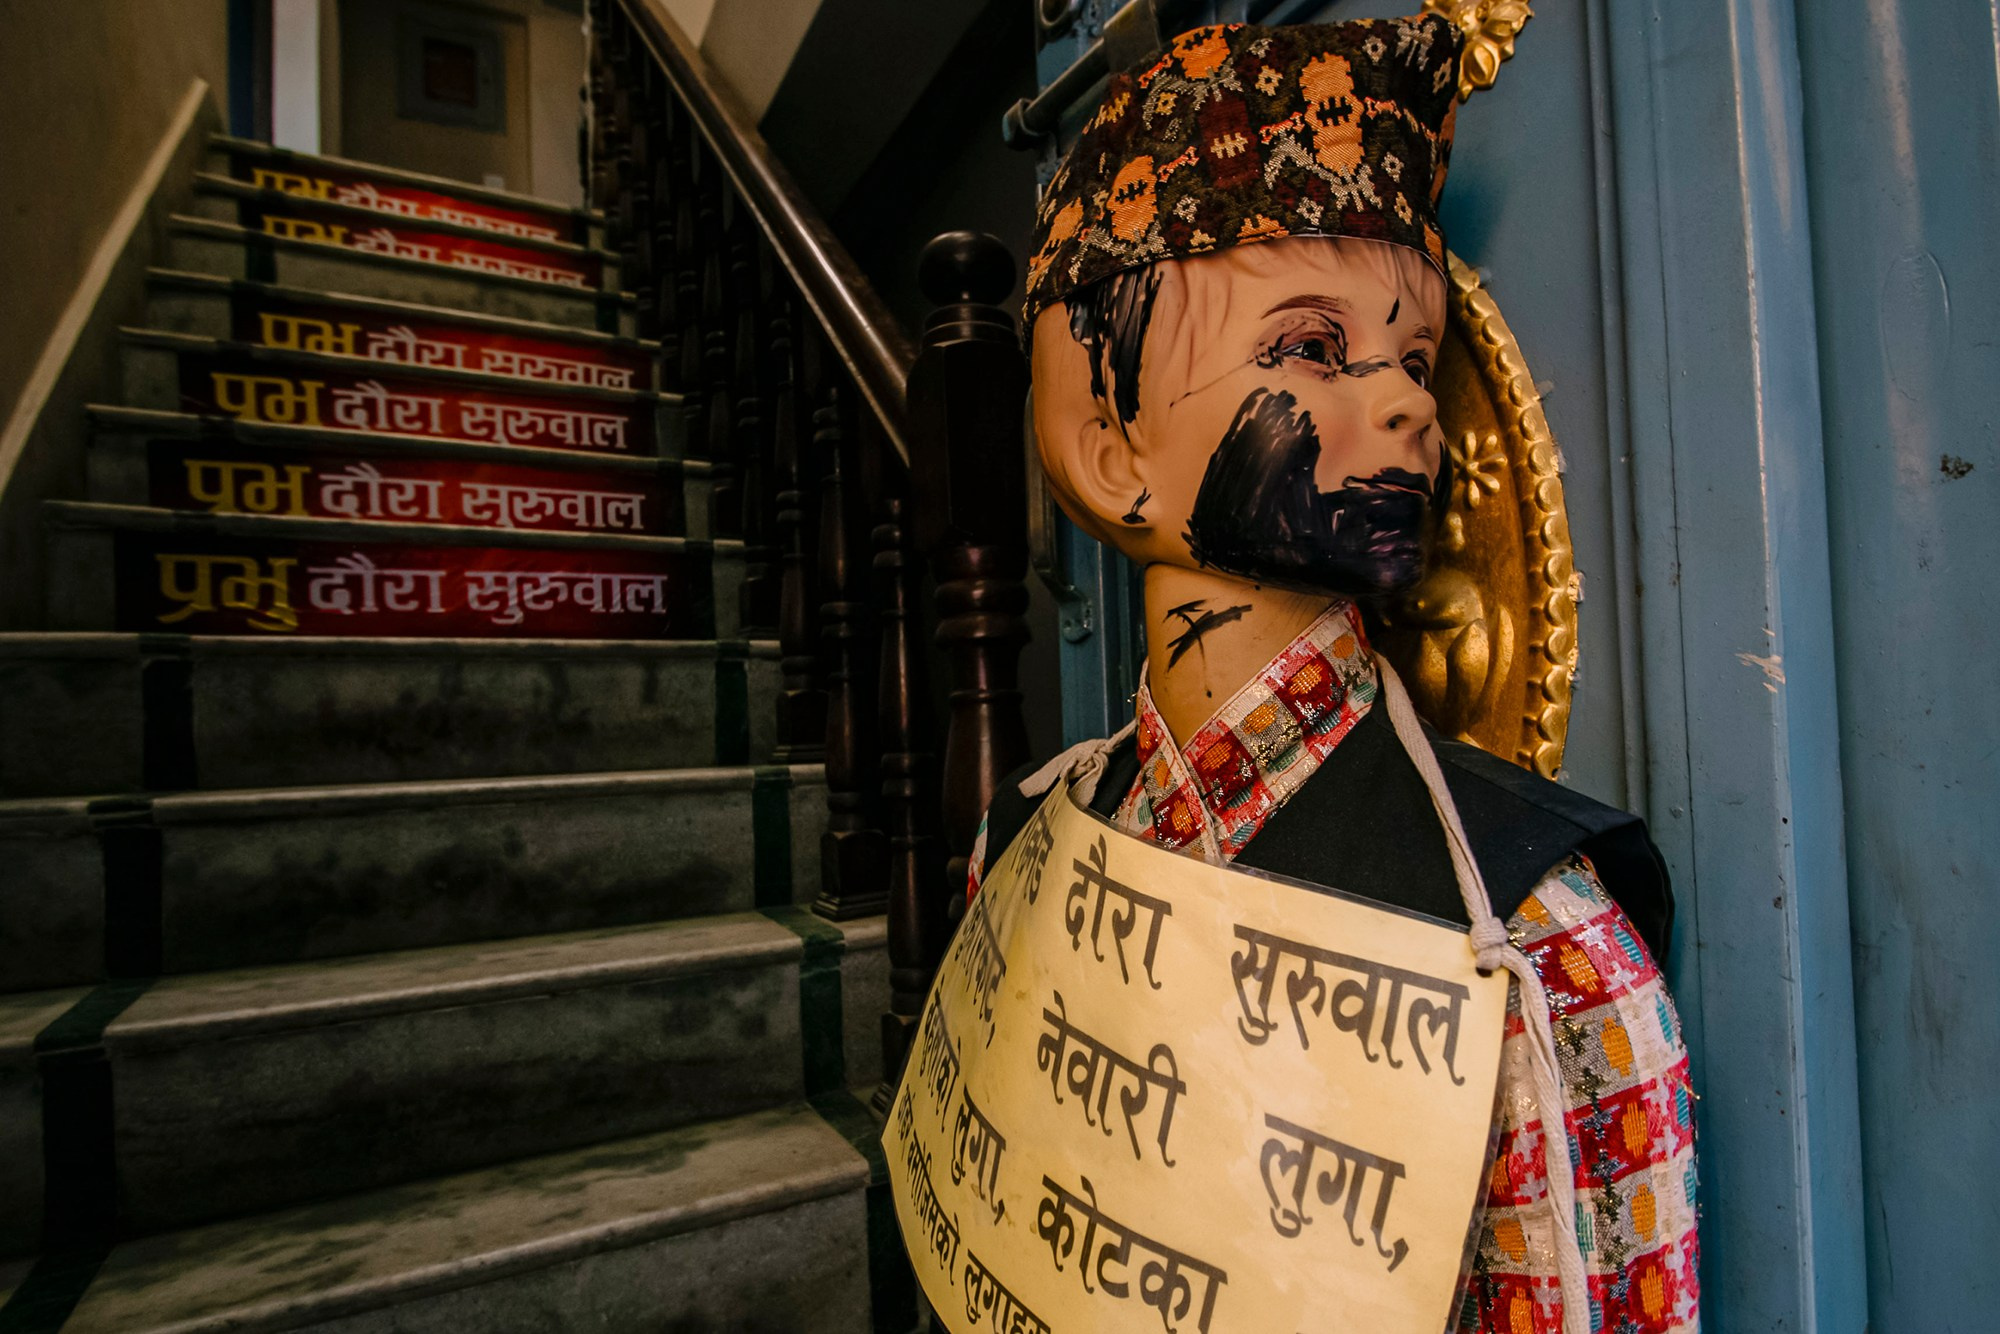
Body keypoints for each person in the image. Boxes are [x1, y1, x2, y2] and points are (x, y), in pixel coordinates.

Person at [967, 16, 1700, 1332]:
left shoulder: (1537, 958)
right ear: (1104, 442)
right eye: (1310, 346)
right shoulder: (1027, 849)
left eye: (1412, 360)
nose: (1412, 401)